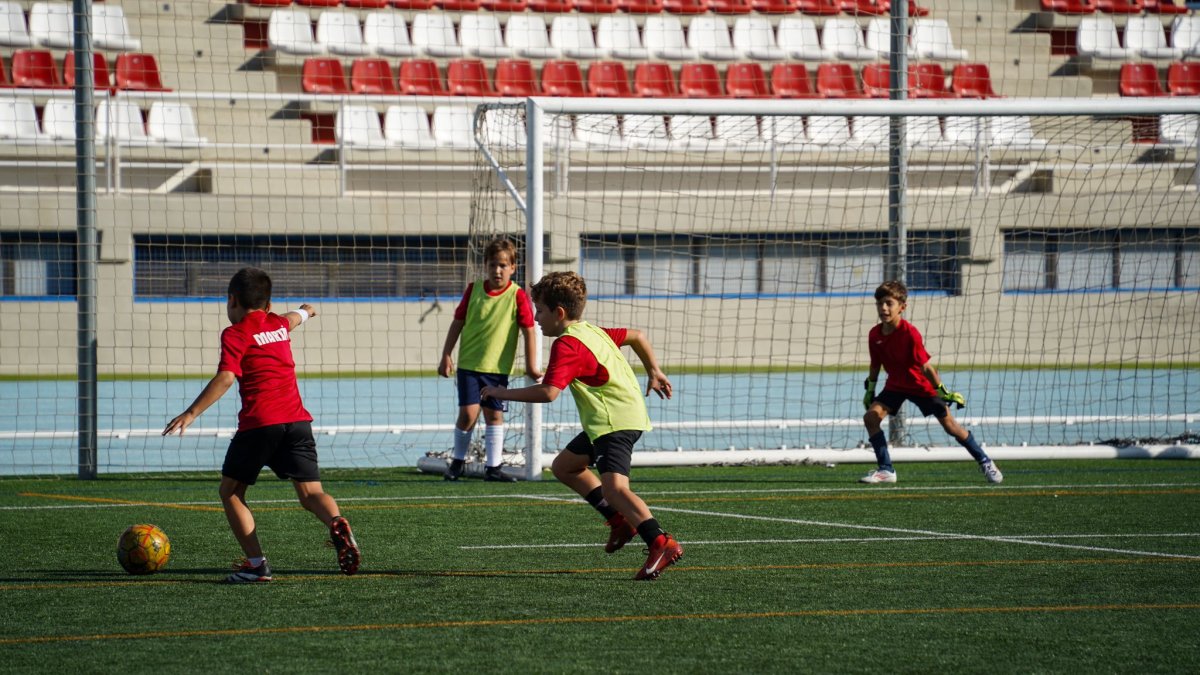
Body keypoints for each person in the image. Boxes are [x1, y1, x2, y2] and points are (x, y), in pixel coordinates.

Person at [162, 267, 360, 583]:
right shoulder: (278, 324)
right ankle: (336, 520)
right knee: (311, 494)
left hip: (260, 424)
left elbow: (227, 376)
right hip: (297, 422)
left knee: (231, 492)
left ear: (232, 300)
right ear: (267, 306)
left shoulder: (235, 333)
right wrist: (306, 312)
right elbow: (293, 318)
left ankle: (256, 565)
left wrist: (191, 413)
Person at [480, 271, 683, 580]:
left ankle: (660, 541)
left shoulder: (567, 345)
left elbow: (548, 393)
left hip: (613, 422)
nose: (536, 317)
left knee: (615, 488)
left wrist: (498, 391)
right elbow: (638, 336)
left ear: (559, 313)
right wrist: (653, 370)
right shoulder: (592, 331)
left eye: (541, 310)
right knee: (565, 467)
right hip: (616, 417)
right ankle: (620, 521)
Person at [860, 280, 1003, 485]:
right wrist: (870, 390)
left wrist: (943, 391)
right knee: (870, 418)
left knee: (951, 426)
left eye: (889, 303)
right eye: (880, 303)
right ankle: (886, 470)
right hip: (895, 386)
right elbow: (875, 364)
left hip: (921, 386)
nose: (883, 308)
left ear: (902, 307)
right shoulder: (874, 334)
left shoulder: (910, 334)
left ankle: (985, 461)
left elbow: (926, 368)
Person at [438, 237, 541, 482]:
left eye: (503, 265)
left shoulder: (517, 295)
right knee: (468, 414)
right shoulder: (473, 290)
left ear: (513, 268)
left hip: (497, 369)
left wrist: (530, 365)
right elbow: (457, 323)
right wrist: (446, 354)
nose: (497, 270)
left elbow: (528, 330)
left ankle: (493, 468)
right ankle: (458, 462)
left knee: (494, 415)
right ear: (485, 265)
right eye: (493, 264)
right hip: (469, 366)